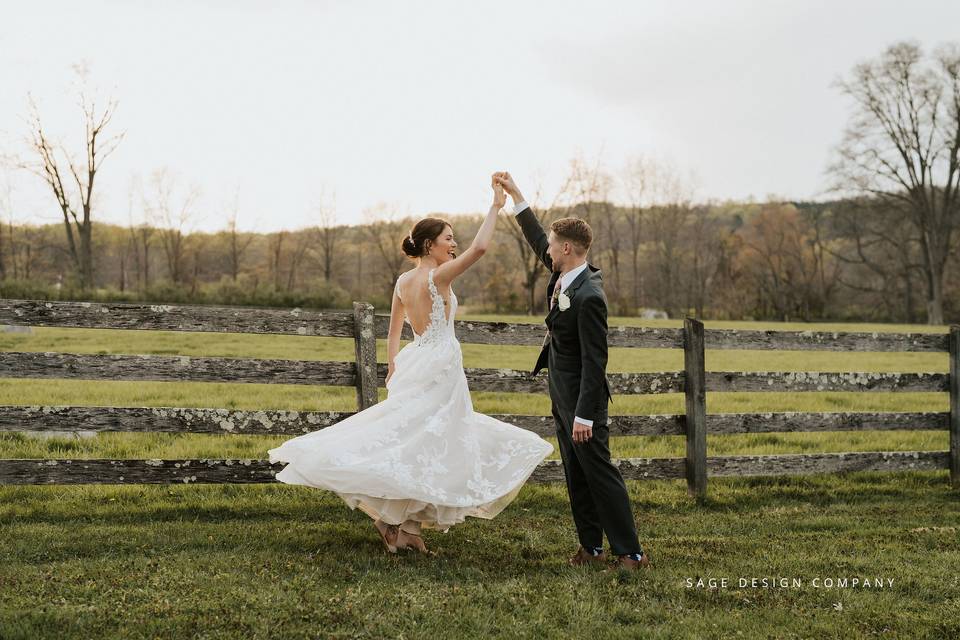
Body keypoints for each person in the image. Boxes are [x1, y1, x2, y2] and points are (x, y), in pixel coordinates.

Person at [268, 174, 553, 555]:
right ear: (429, 245)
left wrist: (391, 366)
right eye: (449, 238)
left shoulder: (403, 281)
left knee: (424, 437)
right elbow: (482, 248)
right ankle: (396, 521)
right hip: (439, 363)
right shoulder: (438, 276)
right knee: (434, 438)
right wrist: (495, 207)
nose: (454, 244)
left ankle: (405, 527)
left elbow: (393, 330)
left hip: (418, 358)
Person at [494, 171, 651, 570]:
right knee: (575, 474)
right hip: (561, 396)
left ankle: (630, 553)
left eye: (551, 245)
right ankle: (591, 548)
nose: (545, 249)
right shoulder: (565, 275)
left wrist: (584, 414)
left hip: (584, 403)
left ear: (566, 248)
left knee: (599, 474)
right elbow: (534, 239)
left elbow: (596, 361)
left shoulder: (589, 296)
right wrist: (517, 196)